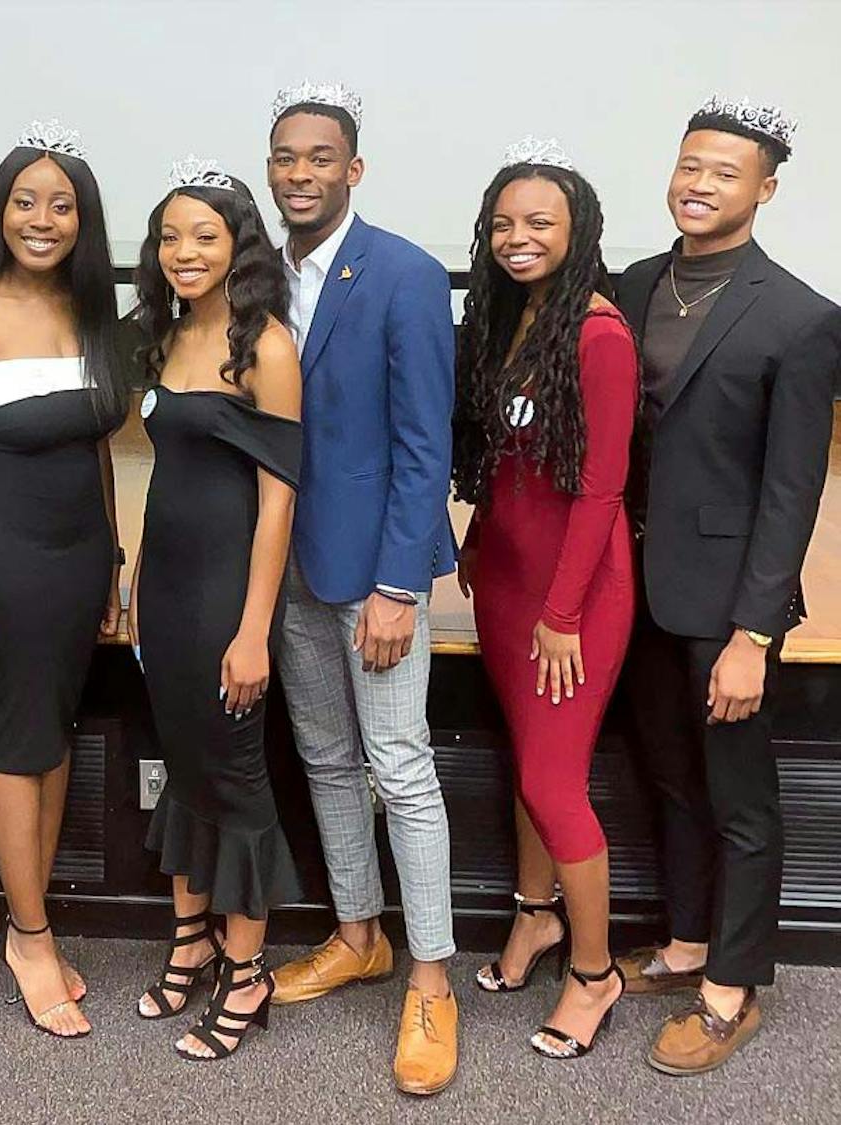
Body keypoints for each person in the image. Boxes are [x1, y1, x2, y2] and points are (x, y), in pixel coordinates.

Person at [614, 95, 841, 1076]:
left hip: (728, 601)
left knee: (740, 800)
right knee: (668, 776)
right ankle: (686, 941)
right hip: (634, 587)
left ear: (766, 189)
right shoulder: (630, 286)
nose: (699, 185)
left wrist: (755, 633)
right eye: (689, 165)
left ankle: (731, 989)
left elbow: (792, 493)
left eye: (724, 172)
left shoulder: (802, 318)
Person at [263, 81, 460, 1095]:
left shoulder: (405, 273)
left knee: (401, 766)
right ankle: (358, 936)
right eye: (285, 157)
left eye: (319, 157)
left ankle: (431, 979)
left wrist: (397, 584)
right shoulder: (259, 276)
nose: (300, 174)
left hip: (374, 572)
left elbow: (426, 444)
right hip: (287, 568)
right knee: (327, 760)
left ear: (354, 168)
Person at [0, 120, 123, 1040]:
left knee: (56, 732)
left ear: (84, 220)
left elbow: (98, 450)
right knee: (15, 738)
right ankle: (32, 936)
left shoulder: (90, 311)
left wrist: (112, 561)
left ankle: (26, 921)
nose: (42, 219)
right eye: (25, 201)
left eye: (62, 205)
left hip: (80, 560)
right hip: (4, 563)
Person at [453, 139, 637, 1058]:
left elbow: (600, 491)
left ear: (578, 231)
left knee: (551, 782)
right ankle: (535, 914)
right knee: (527, 760)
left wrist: (562, 614)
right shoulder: (509, 317)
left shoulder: (599, 335)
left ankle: (595, 973)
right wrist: (477, 539)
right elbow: (509, 461)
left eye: (538, 223)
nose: (517, 237)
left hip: (576, 595)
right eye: (503, 224)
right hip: (506, 581)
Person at [128, 158, 302, 1061]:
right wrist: (137, 578)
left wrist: (252, 630)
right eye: (170, 236)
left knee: (233, 773)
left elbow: (278, 499)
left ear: (240, 245)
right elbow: (170, 473)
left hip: (228, 593)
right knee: (185, 761)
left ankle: (247, 969)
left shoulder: (265, 345)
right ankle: (191, 938)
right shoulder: (165, 334)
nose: (183, 251)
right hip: (166, 585)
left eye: (204, 235)